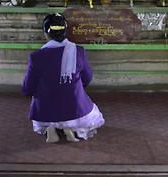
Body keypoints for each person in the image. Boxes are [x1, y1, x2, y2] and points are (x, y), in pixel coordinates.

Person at [21, 13, 105, 142]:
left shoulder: (36, 57)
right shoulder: (78, 51)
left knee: (40, 97)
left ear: (46, 33)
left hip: (46, 110)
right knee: (77, 95)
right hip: (76, 109)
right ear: (65, 31)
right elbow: (87, 78)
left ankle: (50, 128)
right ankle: (69, 127)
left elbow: (28, 87)